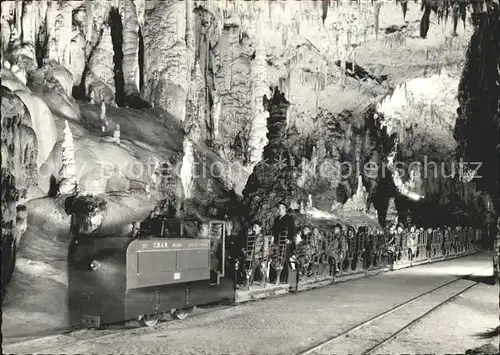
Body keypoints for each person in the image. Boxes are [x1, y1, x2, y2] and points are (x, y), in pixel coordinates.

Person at [271, 202, 297, 282]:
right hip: (277, 241)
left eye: (280, 208)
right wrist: (272, 238)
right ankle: (275, 276)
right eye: (278, 209)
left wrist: (289, 238)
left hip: (286, 241)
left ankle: (284, 277)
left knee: (284, 258)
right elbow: (274, 230)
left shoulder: (289, 218)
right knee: (275, 257)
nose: (278, 210)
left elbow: (293, 229)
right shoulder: (277, 219)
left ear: (284, 209)